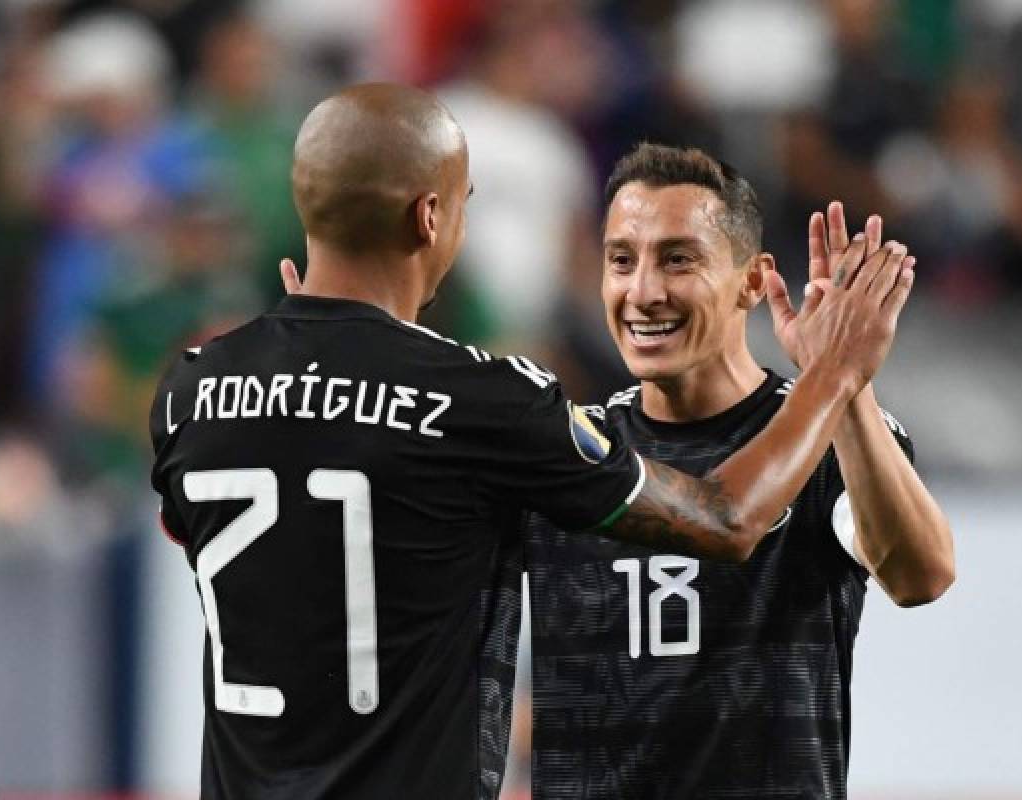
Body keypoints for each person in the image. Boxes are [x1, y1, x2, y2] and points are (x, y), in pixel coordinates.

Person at [151, 84, 915, 798]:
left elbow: (239, 529)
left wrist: (320, 360)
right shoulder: (481, 401)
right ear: (429, 217)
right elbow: (726, 516)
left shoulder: (191, 389)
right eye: (462, 205)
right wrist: (837, 370)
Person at [523, 143, 954, 798]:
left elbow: (920, 575)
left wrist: (843, 387)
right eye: (621, 261)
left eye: (678, 260)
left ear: (752, 281)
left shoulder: (829, 434)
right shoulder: (570, 449)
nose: (643, 292)